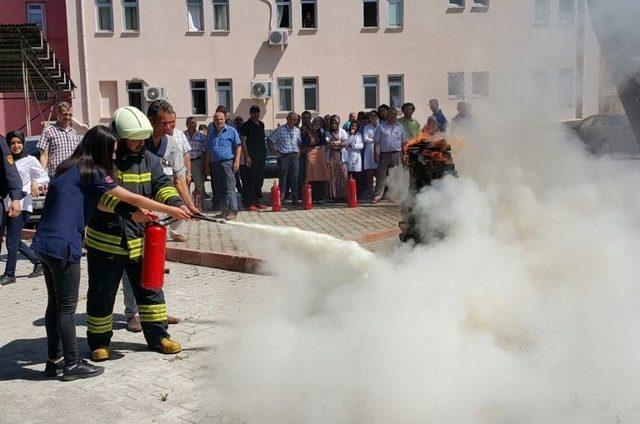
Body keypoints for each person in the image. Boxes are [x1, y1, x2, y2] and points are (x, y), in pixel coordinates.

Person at [32, 125, 190, 381]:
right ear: (103, 148)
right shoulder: (93, 171)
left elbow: (102, 203)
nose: (114, 156)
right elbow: (130, 197)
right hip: (69, 245)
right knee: (67, 308)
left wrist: (139, 213)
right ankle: (72, 363)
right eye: (112, 150)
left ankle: (55, 359)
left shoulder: (69, 167)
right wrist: (172, 211)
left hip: (45, 243)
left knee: (55, 305)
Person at [85, 107, 189, 362]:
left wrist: (175, 202)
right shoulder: (104, 161)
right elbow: (100, 197)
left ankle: (158, 336)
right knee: (102, 293)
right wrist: (132, 210)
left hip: (139, 241)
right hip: (107, 243)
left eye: (142, 138)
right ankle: (99, 342)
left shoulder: (150, 160)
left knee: (150, 291)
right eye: (134, 139)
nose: (139, 143)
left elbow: (162, 186)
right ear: (118, 137)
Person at [145, 100, 199, 242]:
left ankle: (174, 231)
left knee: (177, 203)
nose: (169, 127)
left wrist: (190, 206)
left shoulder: (171, 143)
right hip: (139, 192)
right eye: (164, 123)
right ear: (151, 121)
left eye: (172, 123)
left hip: (161, 188)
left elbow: (179, 179)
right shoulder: (138, 142)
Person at [0, 131, 47, 285]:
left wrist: (35, 181)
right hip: (7, 203)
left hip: (23, 203)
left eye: (18, 142)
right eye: (12, 143)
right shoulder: (6, 159)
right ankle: (38, 262)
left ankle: (10, 273)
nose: (16, 146)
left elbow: (44, 176)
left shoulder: (30, 159)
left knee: (12, 241)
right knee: (15, 240)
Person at [205, 111, 242, 220]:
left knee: (229, 187)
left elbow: (238, 146)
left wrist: (237, 161)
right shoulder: (211, 133)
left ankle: (233, 210)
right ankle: (224, 210)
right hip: (215, 164)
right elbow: (208, 150)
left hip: (227, 163)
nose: (219, 121)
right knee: (219, 188)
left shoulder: (231, 131)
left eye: (221, 119)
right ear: (213, 120)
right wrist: (207, 165)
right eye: (217, 119)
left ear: (225, 119)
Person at [372, 108, 407, 203]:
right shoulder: (381, 127)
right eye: (391, 114)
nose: (393, 116)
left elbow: (404, 142)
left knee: (395, 176)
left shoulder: (400, 127)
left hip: (397, 154)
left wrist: (404, 155)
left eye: (395, 114)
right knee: (381, 176)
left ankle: (393, 195)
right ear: (387, 115)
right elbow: (376, 142)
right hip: (384, 154)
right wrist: (376, 154)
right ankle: (378, 196)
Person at [267, 112, 302, 205]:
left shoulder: (297, 130)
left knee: (295, 178)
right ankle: (281, 198)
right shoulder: (280, 129)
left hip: (294, 156)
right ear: (287, 119)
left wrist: (299, 151)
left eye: (295, 120)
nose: (293, 121)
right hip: (284, 157)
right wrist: (274, 152)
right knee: (283, 178)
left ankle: (295, 198)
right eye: (291, 119)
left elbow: (300, 142)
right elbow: (269, 140)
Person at [38, 102, 79, 177]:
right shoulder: (48, 131)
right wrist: (42, 175)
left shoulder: (74, 133)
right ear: (58, 114)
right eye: (65, 114)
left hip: (73, 175)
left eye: (70, 114)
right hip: (56, 175)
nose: (68, 117)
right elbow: (44, 155)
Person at [239, 105, 267, 211]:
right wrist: (247, 156)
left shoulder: (261, 124)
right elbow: (243, 141)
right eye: (254, 112)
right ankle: (248, 202)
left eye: (257, 112)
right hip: (250, 157)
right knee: (249, 180)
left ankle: (257, 201)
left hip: (260, 156)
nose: (256, 114)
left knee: (259, 179)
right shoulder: (245, 126)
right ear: (250, 113)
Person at [304, 117, 328, 201]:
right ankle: (313, 197)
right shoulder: (308, 132)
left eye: (319, 123)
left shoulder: (322, 132)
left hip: (320, 155)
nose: (317, 125)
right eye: (315, 123)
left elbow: (323, 142)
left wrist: (318, 133)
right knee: (312, 176)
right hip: (311, 155)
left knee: (321, 175)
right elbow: (309, 142)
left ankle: (320, 196)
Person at [325, 115, 349, 202]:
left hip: (341, 157)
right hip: (331, 157)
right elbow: (327, 143)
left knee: (343, 175)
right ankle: (334, 196)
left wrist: (335, 144)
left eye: (336, 122)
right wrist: (338, 143)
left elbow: (345, 143)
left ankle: (344, 195)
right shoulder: (327, 132)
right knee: (333, 176)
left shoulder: (342, 131)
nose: (334, 124)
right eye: (332, 123)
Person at [185, 117, 207, 205]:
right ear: (186, 124)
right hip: (185, 163)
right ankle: (187, 204)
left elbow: (204, 151)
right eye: (189, 123)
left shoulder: (201, 136)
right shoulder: (183, 135)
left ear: (196, 124)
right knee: (186, 184)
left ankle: (199, 204)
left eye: (193, 123)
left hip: (197, 162)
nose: (191, 124)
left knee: (199, 184)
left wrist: (204, 164)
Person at [362, 110, 379, 199]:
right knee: (369, 174)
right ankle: (369, 192)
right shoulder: (366, 127)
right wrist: (375, 139)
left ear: (377, 117)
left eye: (375, 116)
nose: (373, 118)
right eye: (371, 116)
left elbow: (381, 138)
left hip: (378, 151)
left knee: (378, 173)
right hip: (369, 152)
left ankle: (377, 192)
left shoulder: (380, 127)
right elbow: (365, 139)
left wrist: (372, 138)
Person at [346, 122, 364, 194]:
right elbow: (346, 144)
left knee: (357, 175)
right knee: (349, 174)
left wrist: (354, 146)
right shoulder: (346, 133)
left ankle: (357, 192)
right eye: (353, 125)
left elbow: (361, 145)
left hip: (357, 157)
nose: (354, 127)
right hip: (348, 156)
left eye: (356, 126)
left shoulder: (359, 135)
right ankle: (348, 192)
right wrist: (351, 135)